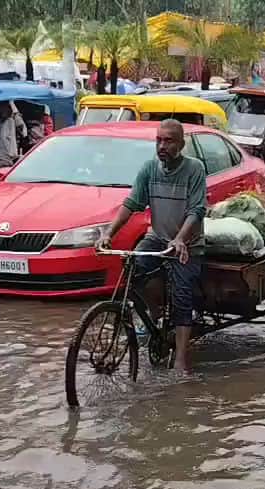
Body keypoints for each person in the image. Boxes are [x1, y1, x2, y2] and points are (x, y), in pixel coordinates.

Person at [98, 119, 206, 374]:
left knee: (181, 295)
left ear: (181, 144)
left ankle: (180, 358)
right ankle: (154, 310)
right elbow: (132, 203)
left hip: (187, 244)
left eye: (168, 141)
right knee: (131, 269)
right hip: (157, 238)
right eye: (159, 140)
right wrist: (108, 234)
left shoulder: (194, 169)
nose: (162, 146)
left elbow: (197, 210)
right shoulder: (149, 169)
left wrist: (180, 238)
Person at [0, 100, 24, 175]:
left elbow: (22, 128)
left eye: (4, 108)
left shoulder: (12, 121)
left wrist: (13, 106)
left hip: (6, 158)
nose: (2, 111)